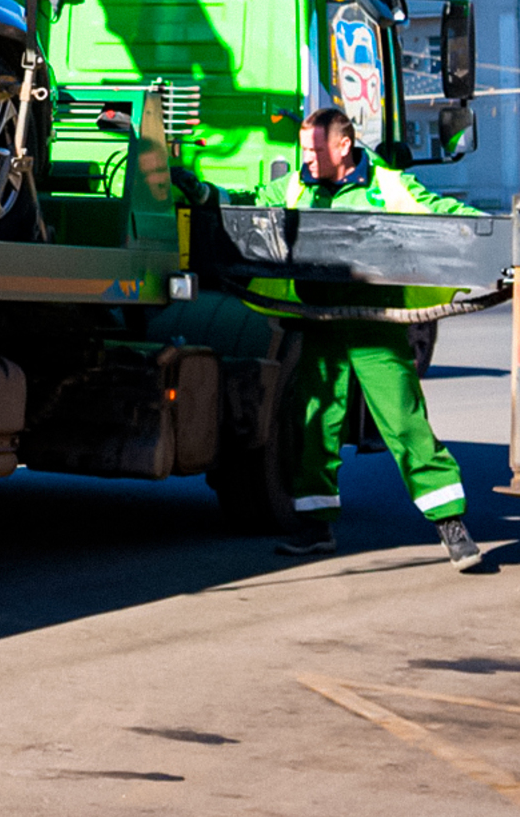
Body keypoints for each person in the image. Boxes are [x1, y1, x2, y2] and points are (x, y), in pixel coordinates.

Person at [178, 107, 485, 571]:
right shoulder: (298, 184)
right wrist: (203, 192)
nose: (308, 159)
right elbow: (251, 202)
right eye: (304, 150)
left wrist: (495, 233)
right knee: (314, 425)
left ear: (345, 146)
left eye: (316, 150)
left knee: (403, 422)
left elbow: (440, 212)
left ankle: (451, 525)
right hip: (318, 321)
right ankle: (315, 528)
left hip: (372, 325)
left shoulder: (387, 185)